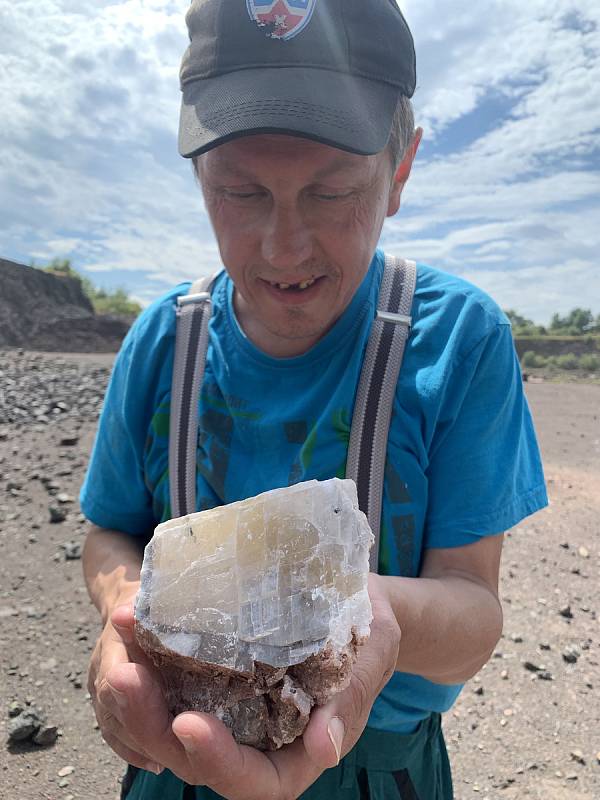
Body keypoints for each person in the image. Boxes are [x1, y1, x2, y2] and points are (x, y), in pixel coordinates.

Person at [80, 1, 548, 798]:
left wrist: (373, 614)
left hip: (382, 762)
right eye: (241, 192)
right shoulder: (163, 341)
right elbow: (109, 531)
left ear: (399, 172)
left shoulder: (459, 340)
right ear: (198, 178)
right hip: (181, 755)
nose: (284, 247)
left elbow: (474, 608)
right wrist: (126, 612)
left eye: (332, 192)